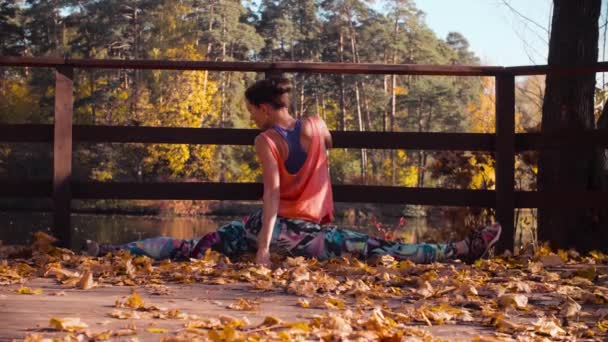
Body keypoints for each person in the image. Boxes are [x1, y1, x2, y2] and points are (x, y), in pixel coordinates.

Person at [85, 78, 501, 266]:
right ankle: (462, 250)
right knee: (378, 248)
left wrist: (263, 248)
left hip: (282, 232)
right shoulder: (318, 126)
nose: (250, 118)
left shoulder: (266, 140)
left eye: (251, 111)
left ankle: (114, 252)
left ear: (265, 108)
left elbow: (271, 197)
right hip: (310, 234)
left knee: (192, 248)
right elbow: (327, 151)